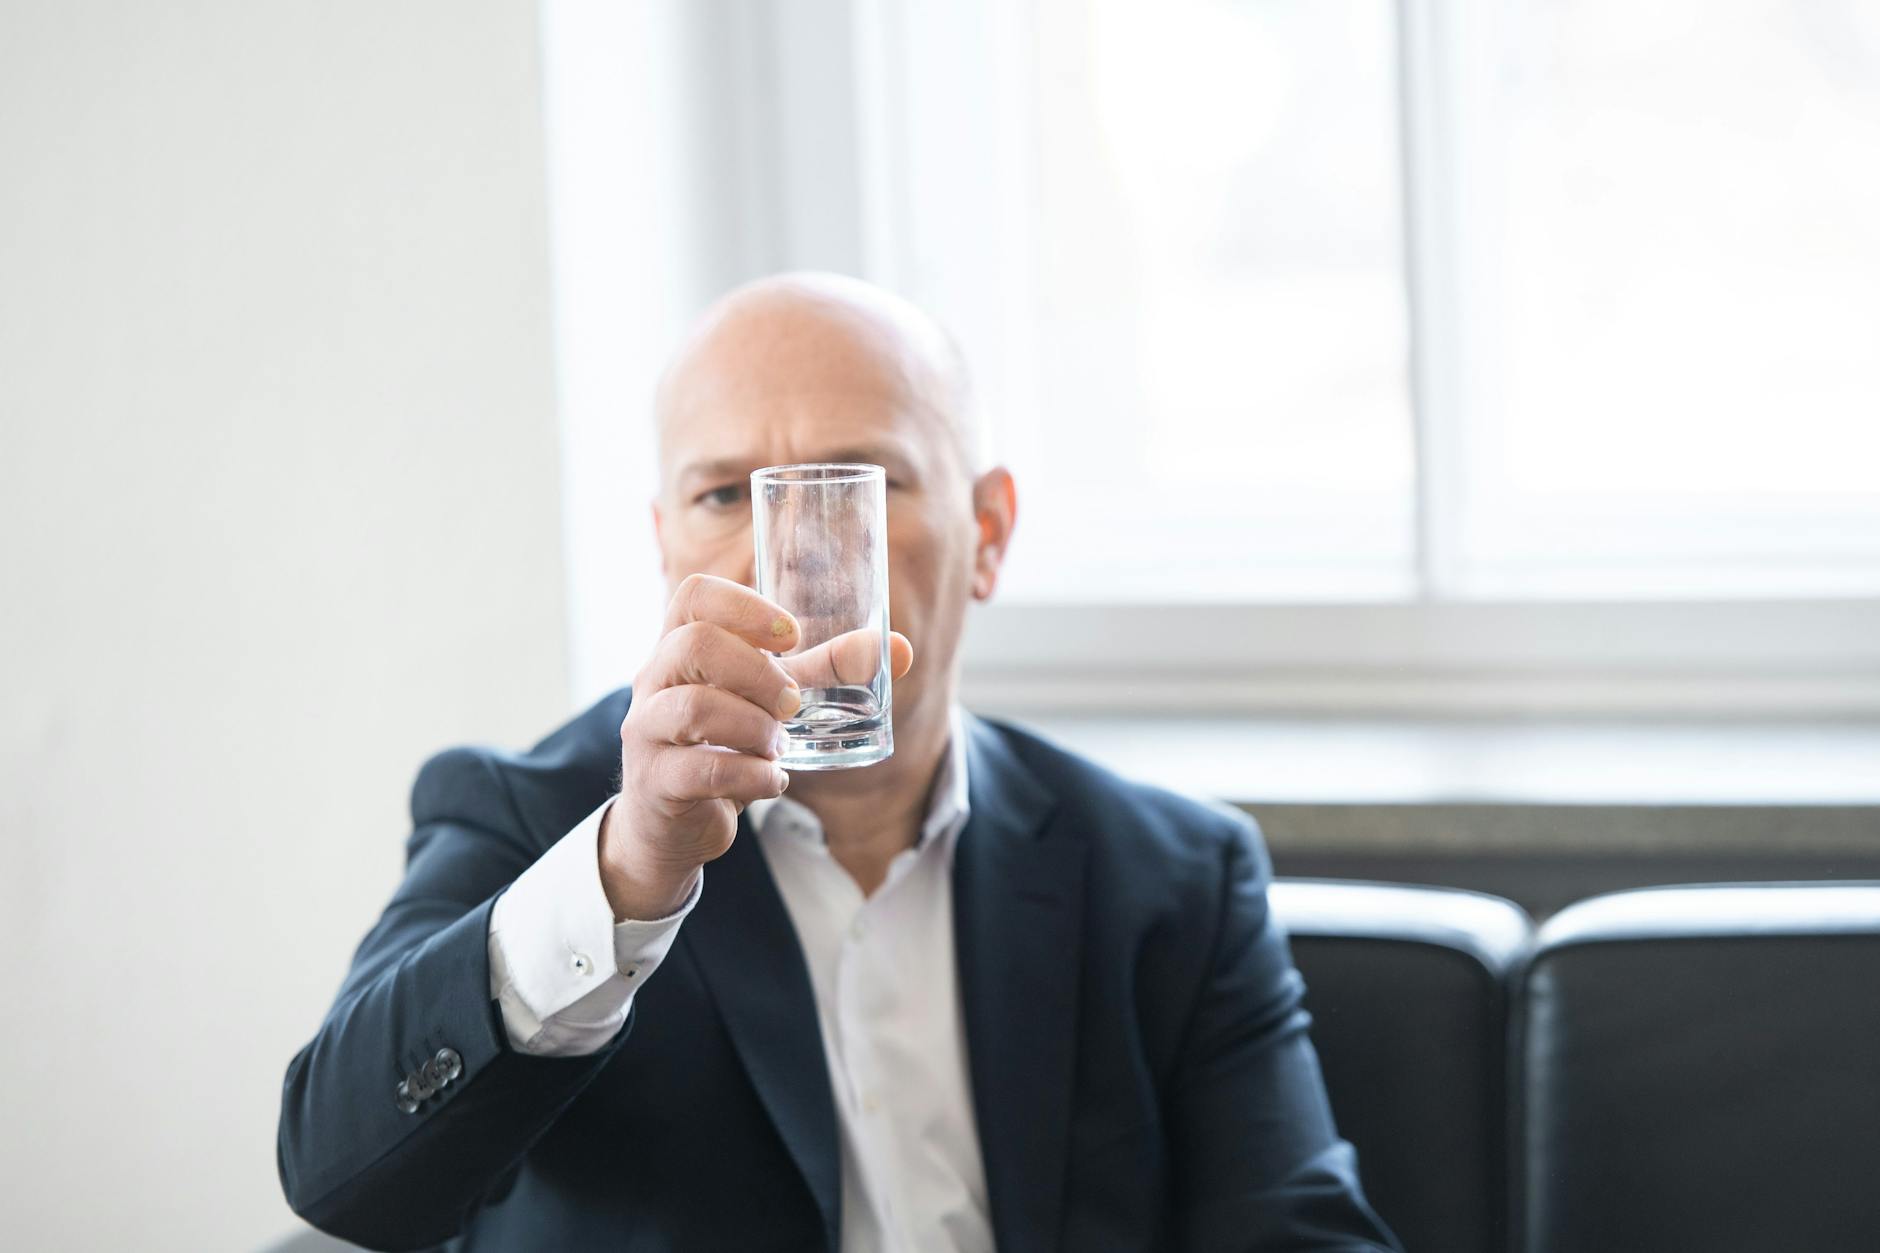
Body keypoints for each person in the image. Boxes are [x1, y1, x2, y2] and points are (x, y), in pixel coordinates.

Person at [277, 273, 1399, 1252]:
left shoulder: (1168, 873)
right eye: (725, 494)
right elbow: (343, 1180)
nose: (794, 549)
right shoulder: (537, 820)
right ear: (664, 543)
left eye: (860, 480)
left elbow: (1297, 1229)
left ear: (989, 532)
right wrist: (624, 878)